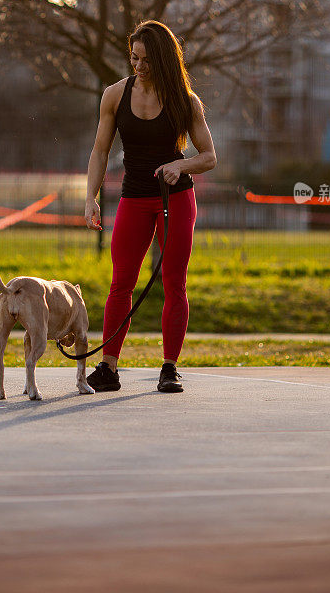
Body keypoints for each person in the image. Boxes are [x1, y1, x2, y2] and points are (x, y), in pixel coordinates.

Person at [84, 20, 217, 393]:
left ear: (162, 59)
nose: (138, 65)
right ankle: (108, 368)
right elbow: (99, 150)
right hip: (133, 198)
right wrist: (90, 196)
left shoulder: (184, 101)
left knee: (175, 282)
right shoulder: (114, 95)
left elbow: (209, 156)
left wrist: (180, 164)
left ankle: (169, 367)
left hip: (175, 199)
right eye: (134, 57)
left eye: (145, 59)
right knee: (120, 282)